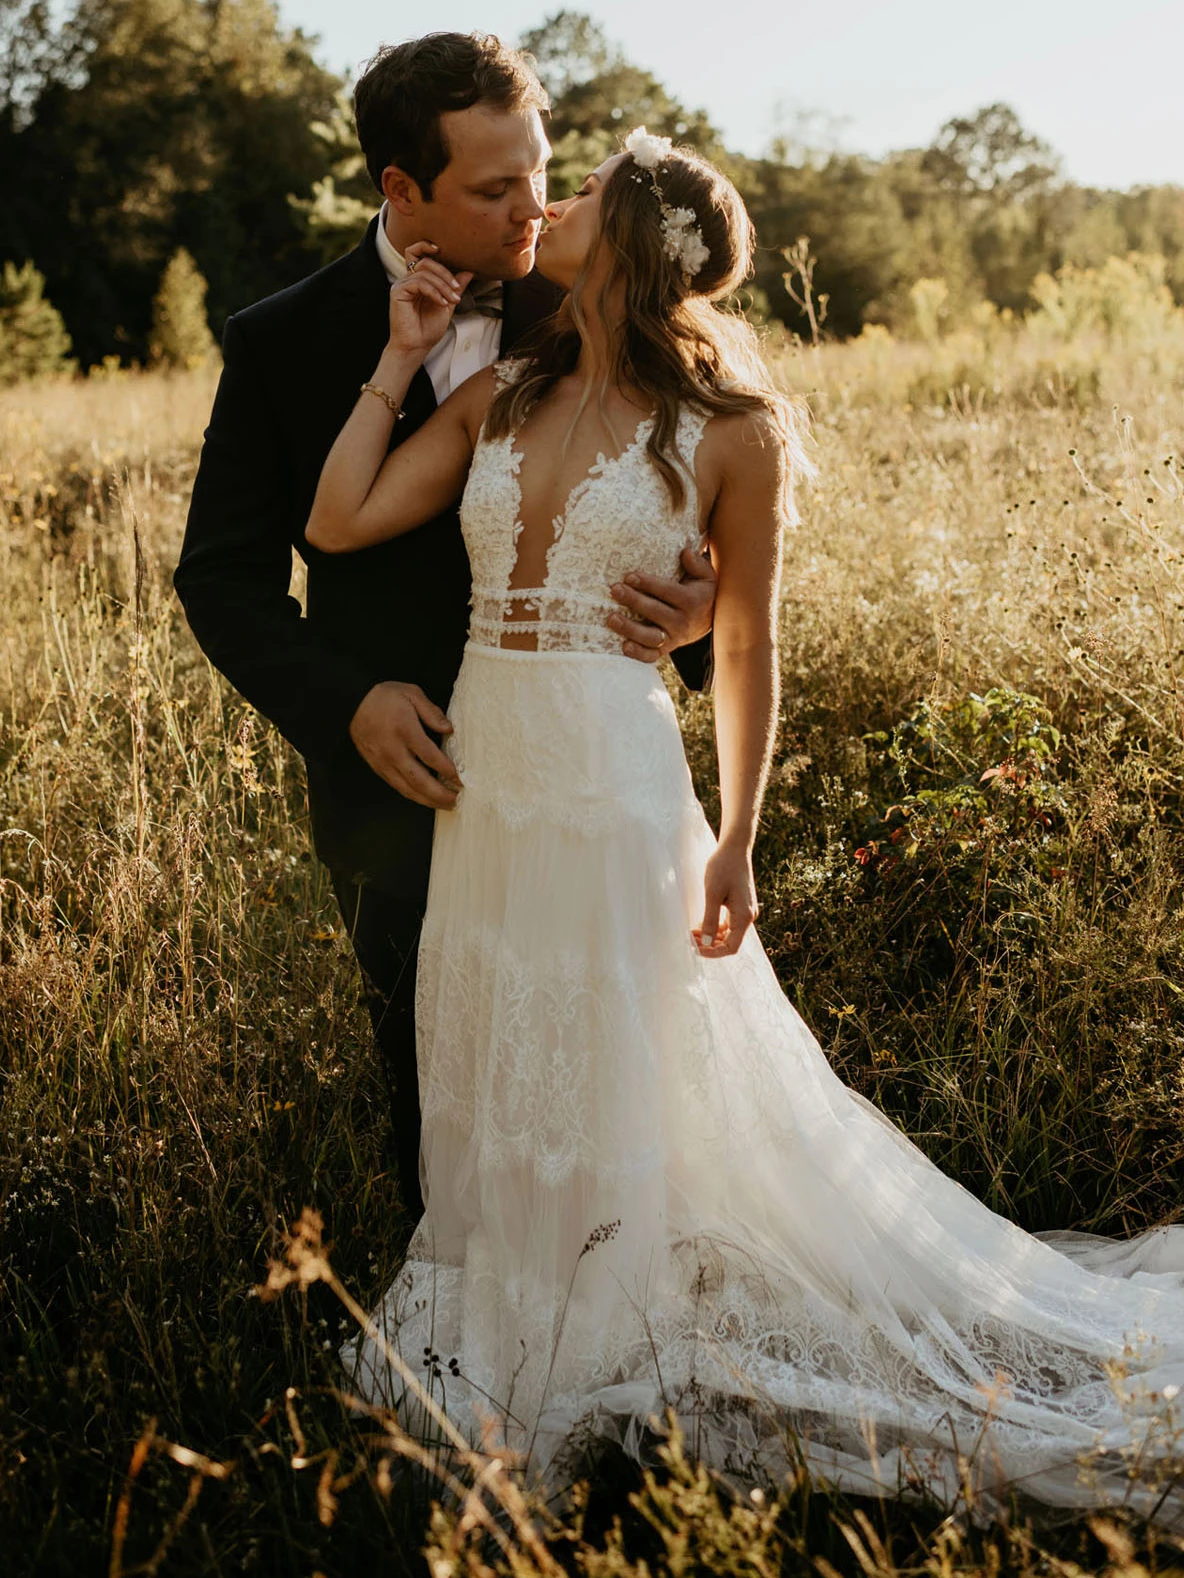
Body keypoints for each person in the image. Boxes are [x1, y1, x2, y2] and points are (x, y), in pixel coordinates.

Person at [311, 129, 1184, 1521]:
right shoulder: (499, 389)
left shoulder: (734, 430)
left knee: (614, 1044)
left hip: (612, 784)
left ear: (642, 235)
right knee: (495, 1034)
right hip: (493, 786)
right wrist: (399, 352)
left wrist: (735, 837)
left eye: (585, 190)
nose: (556, 200)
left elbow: (752, 649)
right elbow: (340, 516)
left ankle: (609, 1316)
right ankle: (513, 1304)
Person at [174, 37, 715, 1222]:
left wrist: (700, 608)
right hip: (399, 784)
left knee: (623, 1060)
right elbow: (220, 577)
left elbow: (700, 487)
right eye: (492, 189)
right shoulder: (279, 340)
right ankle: (470, 1347)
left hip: (581, 774)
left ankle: (624, 1319)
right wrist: (343, 705)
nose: (532, 209)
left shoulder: (597, 299)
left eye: (541, 174)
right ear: (398, 188)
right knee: (435, 1079)